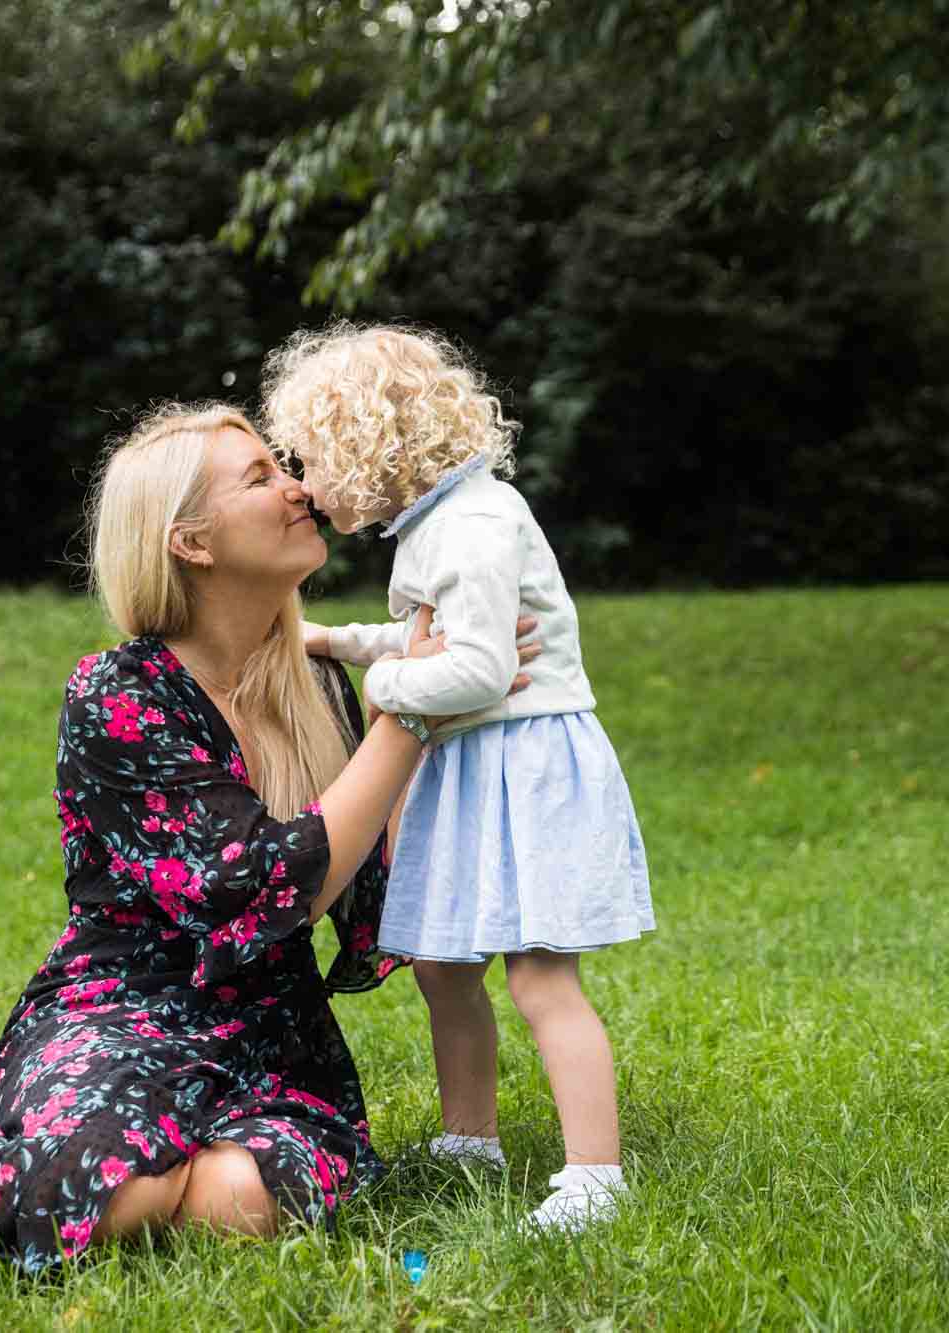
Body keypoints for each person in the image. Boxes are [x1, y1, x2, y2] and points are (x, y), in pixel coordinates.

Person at [0, 403, 537, 1270]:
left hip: (273, 1038)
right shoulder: (118, 696)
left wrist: (430, 721)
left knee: (238, 1202)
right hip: (120, 1013)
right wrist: (410, 719)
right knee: (122, 1188)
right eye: (260, 477)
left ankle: (50, 1174)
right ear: (190, 541)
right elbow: (257, 888)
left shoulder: (317, 686)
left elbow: (362, 883)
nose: (299, 488)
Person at [265, 324, 656, 1233]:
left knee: (540, 978)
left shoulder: (475, 526)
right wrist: (343, 640)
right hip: (477, 766)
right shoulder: (440, 522)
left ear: (371, 450)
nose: (307, 487)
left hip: (523, 766)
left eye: (315, 460)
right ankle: (469, 1139)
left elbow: (475, 670)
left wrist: (381, 682)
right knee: (444, 968)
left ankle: (596, 1176)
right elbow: (431, 636)